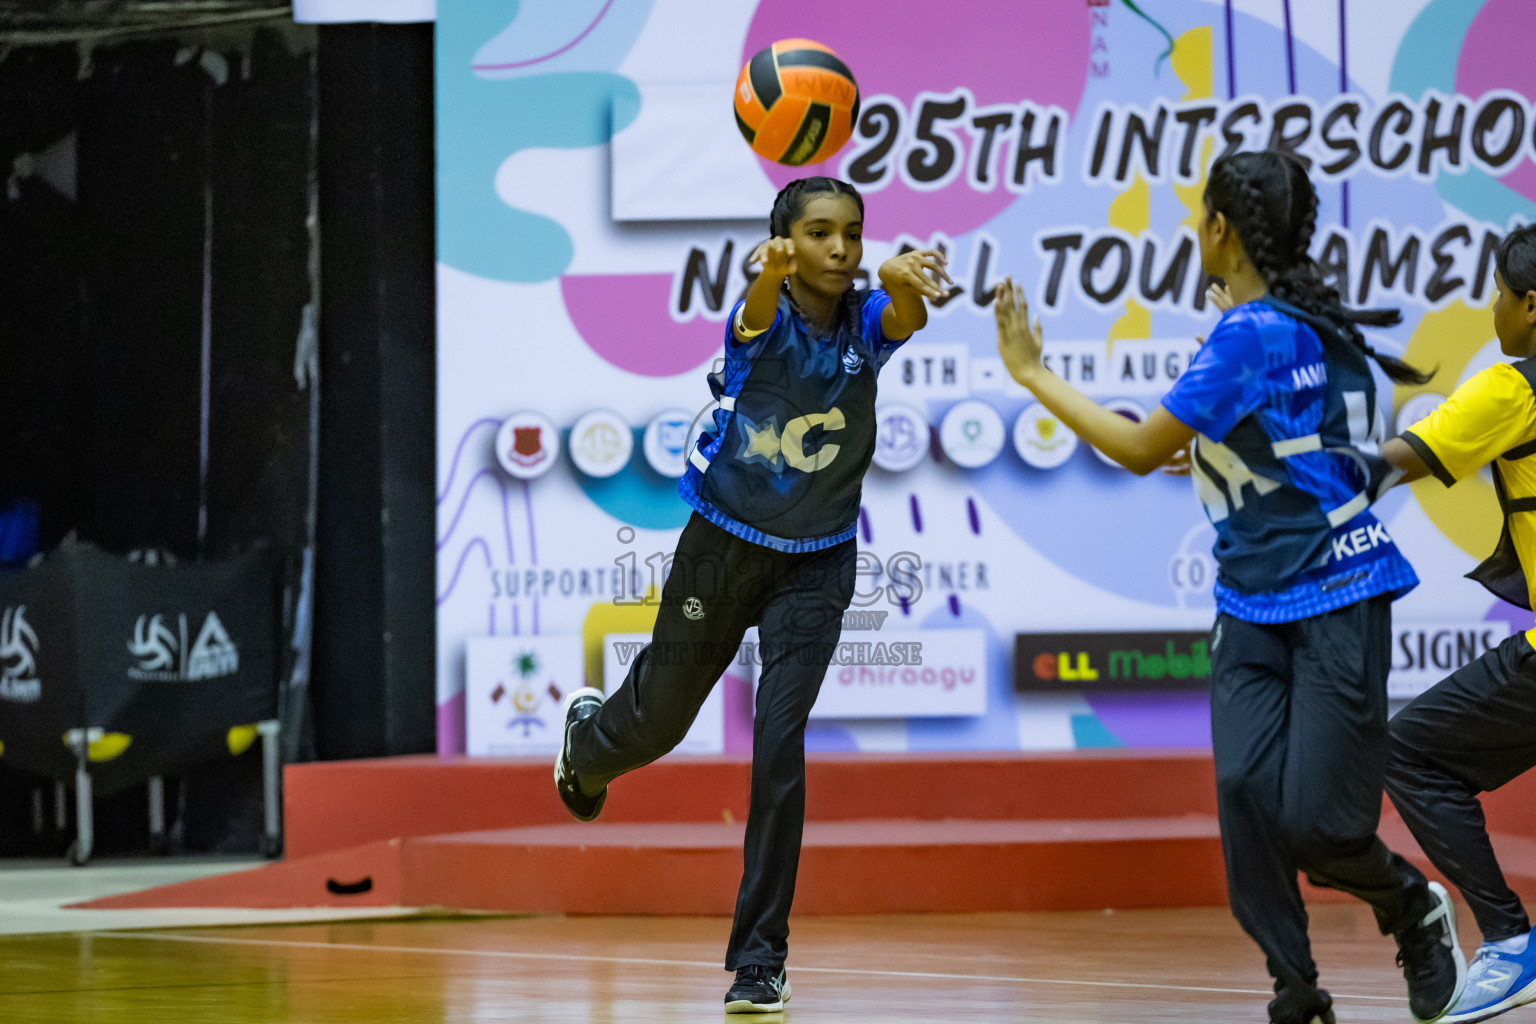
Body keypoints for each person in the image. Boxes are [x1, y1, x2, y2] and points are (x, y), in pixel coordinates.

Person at [992, 150, 1463, 1024]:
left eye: (1196, 214)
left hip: (1338, 588)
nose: (1190, 228)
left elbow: (1139, 451)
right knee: (1247, 793)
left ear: (1219, 228)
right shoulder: (1289, 328)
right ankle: (1297, 986)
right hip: (1251, 595)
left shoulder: (1257, 333)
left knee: (1320, 827)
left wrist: (1031, 373)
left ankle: (1410, 907)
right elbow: (1261, 447)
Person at [553, 176, 949, 1014]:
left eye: (852, 233)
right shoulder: (759, 325)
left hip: (819, 562)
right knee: (658, 724)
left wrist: (909, 285)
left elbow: (901, 316)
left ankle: (758, 961)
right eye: (819, 234)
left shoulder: (867, 321)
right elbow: (754, 314)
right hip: (722, 550)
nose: (840, 249)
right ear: (786, 242)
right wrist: (764, 272)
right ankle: (588, 749)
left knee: (779, 744)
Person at [1381, 222, 1536, 1024]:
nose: (1494, 311)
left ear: (1532, 307)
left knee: (1410, 751)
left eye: (1500, 295)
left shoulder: (1515, 390)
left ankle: (1510, 945)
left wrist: (1264, 470)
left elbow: (1390, 462)